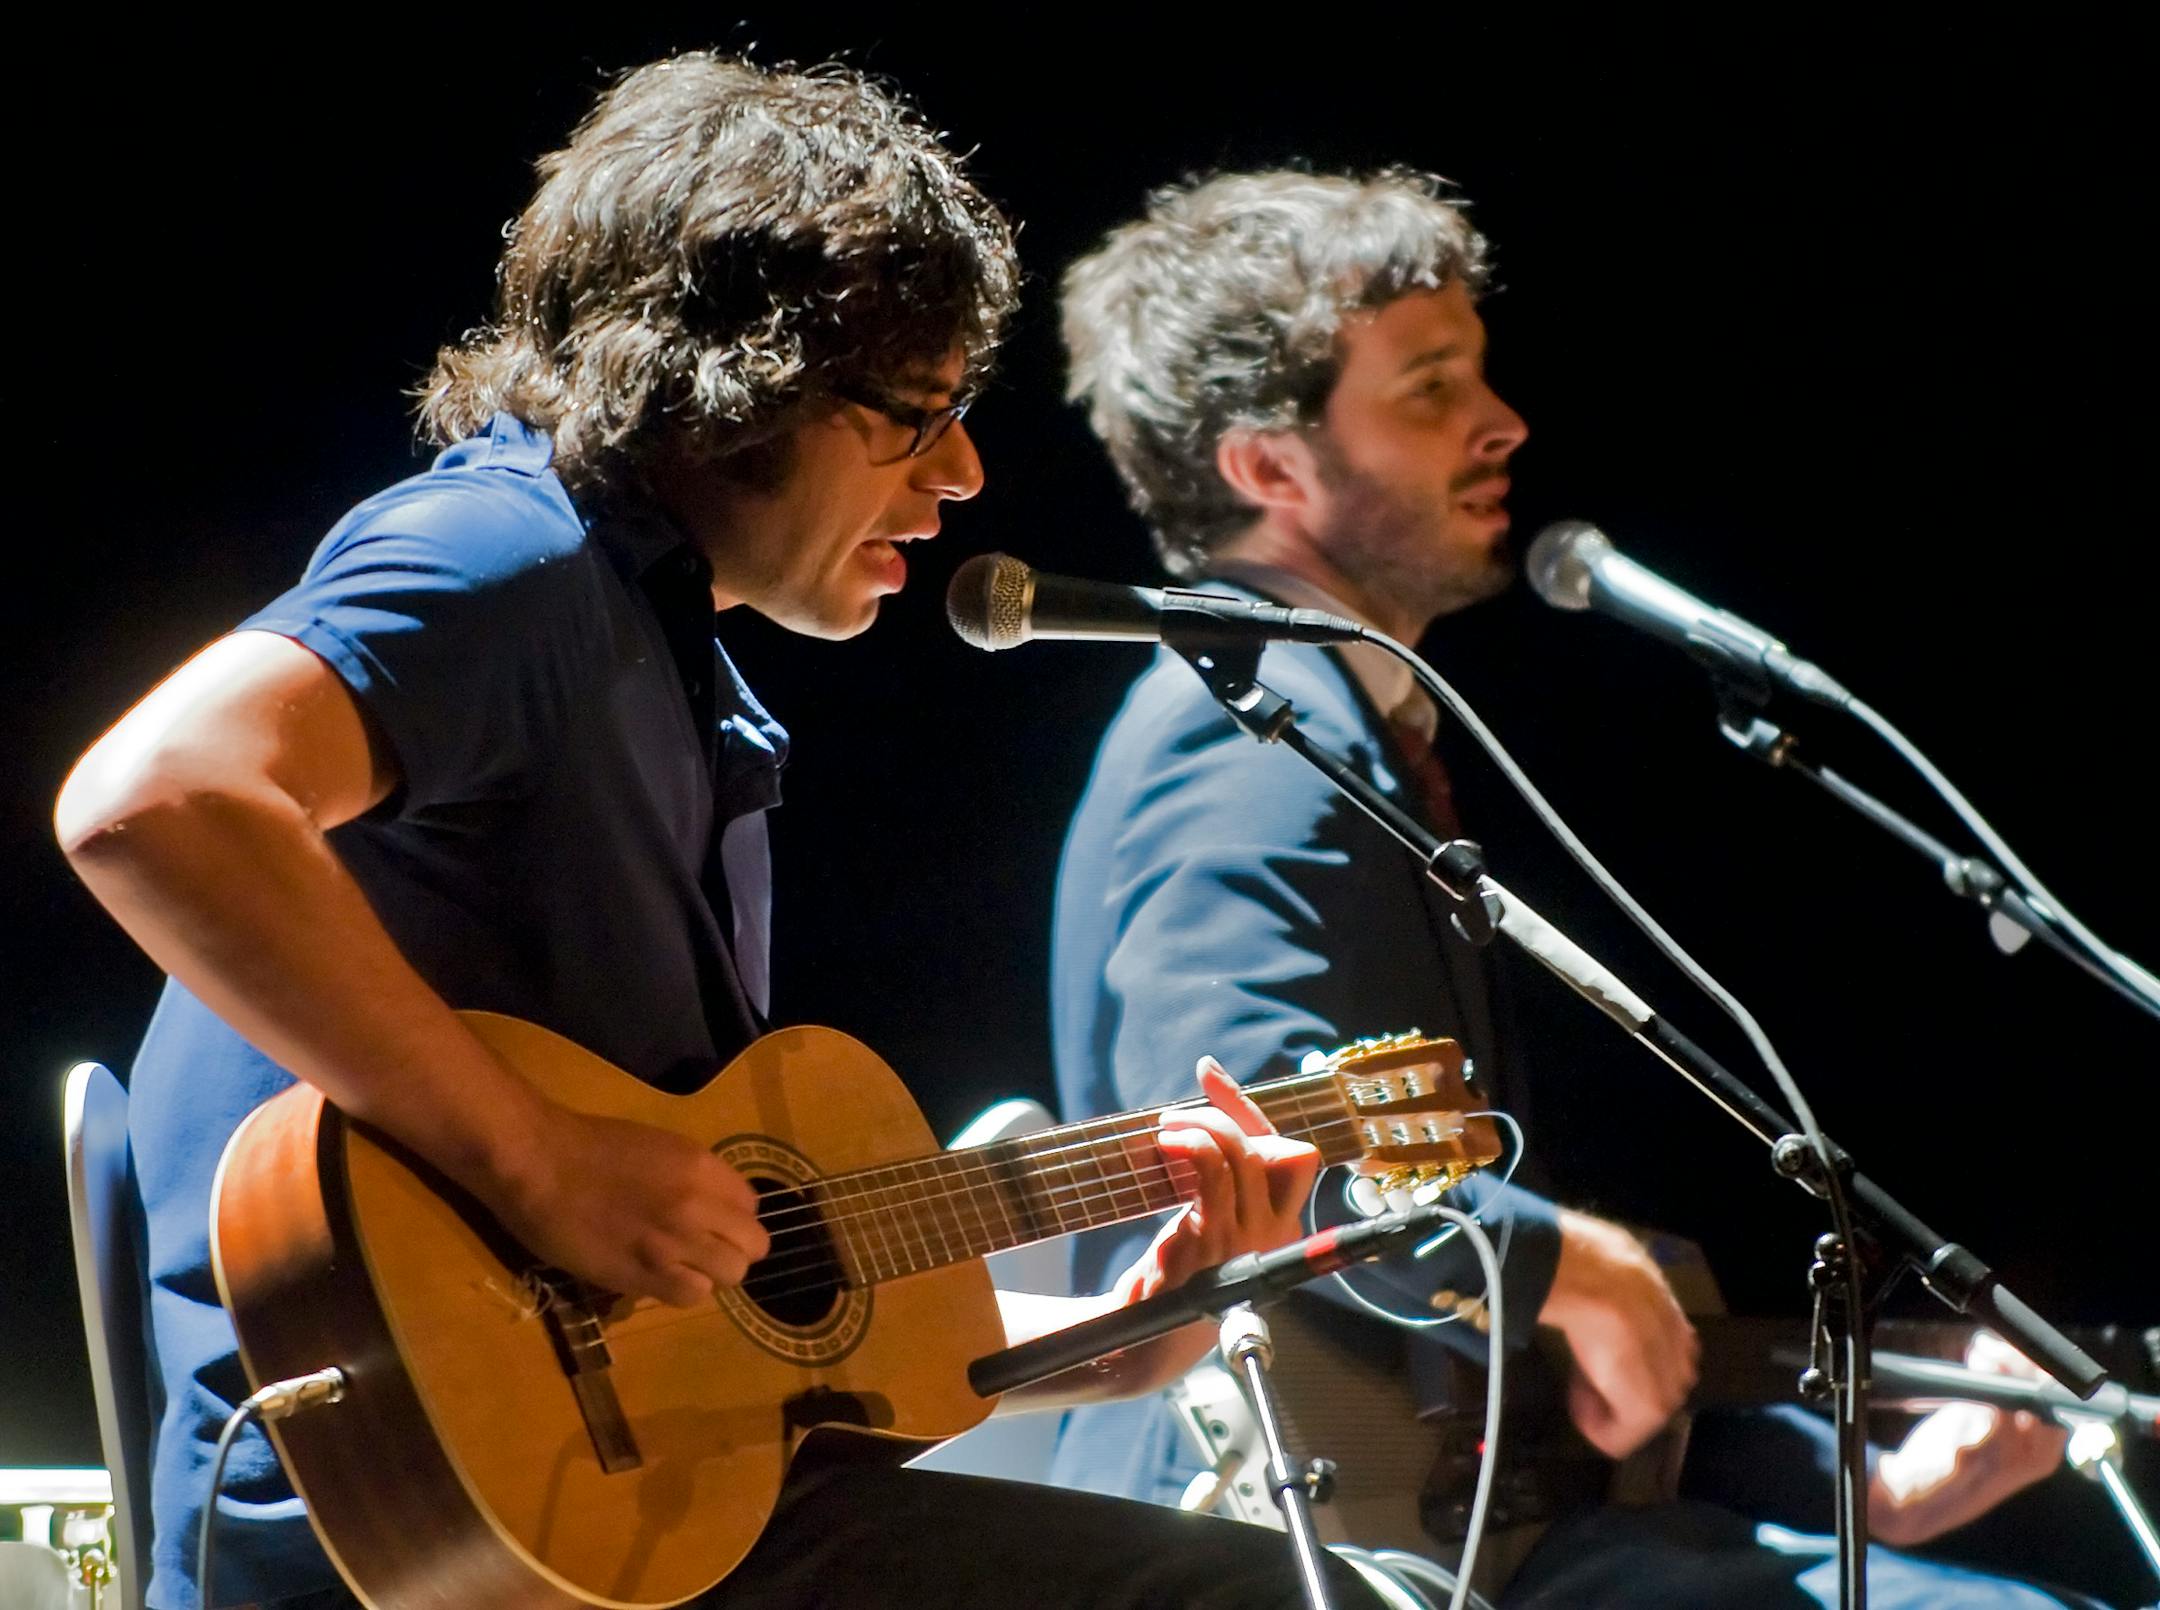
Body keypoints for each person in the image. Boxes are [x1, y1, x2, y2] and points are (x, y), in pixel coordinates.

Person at [53, 59, 1369, 1610]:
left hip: (601, 1538)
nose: (959, 477)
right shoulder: (505, 556)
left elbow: (699, 1330)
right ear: (735, 382)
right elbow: (151, 799)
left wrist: (1111, 1345)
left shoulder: (680, 683)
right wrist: (540, 1158)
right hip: (395, 1544)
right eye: (912, 415)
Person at [1044, 168, 2107, 1606]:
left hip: (1474, 1527)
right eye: (1429, 388)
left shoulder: (1318, 718)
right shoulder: (1241, 743)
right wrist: (1562, 1265)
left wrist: (1865, 1486)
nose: (1503, 423)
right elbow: (1238, 1136)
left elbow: (1477, 1354)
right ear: (1269, 469)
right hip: (1320, 1547)